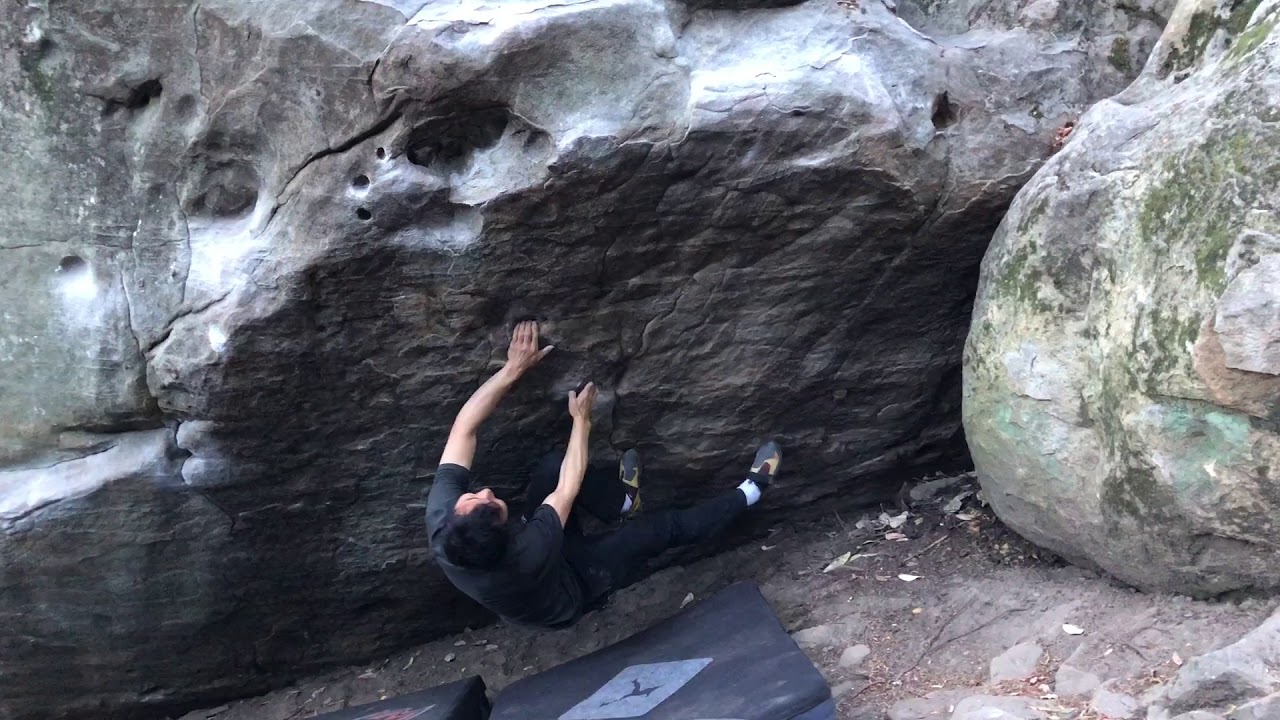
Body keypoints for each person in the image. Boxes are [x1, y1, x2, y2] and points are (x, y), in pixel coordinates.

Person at [425, 321, 781, 629]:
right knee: (660, 530)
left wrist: (512, 370)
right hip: (573, 586)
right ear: (507, 534)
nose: (486, 492)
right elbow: (566, 489)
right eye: (492, 506)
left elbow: (463, 430)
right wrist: (582, 421)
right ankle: (751, 491)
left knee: (552, 465)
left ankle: (622, 503)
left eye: (473, 497)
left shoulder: (442, 521)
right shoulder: (527, 553)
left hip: (531, 557)